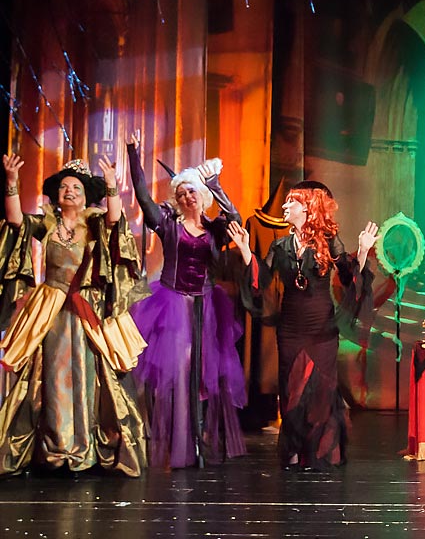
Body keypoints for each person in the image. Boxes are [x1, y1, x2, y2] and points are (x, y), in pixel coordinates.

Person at [0, 154, 149, 477]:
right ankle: (54, 446)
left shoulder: (94, 222)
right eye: (64, 187)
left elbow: (114, 219)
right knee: (49, 377)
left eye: (76, 188)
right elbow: (15, 221)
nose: (69, 191)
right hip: (51, 310)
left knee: (90, 375)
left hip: (86, 307)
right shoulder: (47, 224)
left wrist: (111, 186)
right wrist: (11, 183)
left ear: (85, 195)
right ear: (57, 195)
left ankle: (86, 446)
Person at [227, 181, 377, 470]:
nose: (284, 206)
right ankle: (294, 450)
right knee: (291, 388)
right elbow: (261, 280)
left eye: (291, 202)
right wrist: (245, 249)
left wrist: (362, 250)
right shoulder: (280, 246)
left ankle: (318, 452)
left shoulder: (329, 242)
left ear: (308, 208)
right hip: (291, 327)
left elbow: (351, 279)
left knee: (321, 389)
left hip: (321, 327)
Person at [126, 134, 247, 468]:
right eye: (181, 194)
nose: (186, 197)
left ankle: (199, 440)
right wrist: (134, 154)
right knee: (179, 373)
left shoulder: (214, 228)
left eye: (191, 191)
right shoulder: (167, 225)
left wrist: (215, 184)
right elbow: (144, 198)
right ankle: (179, 445)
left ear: (201, 195)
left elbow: (235, 219)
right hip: (174, 304)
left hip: (206, 305)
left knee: (203, 374)